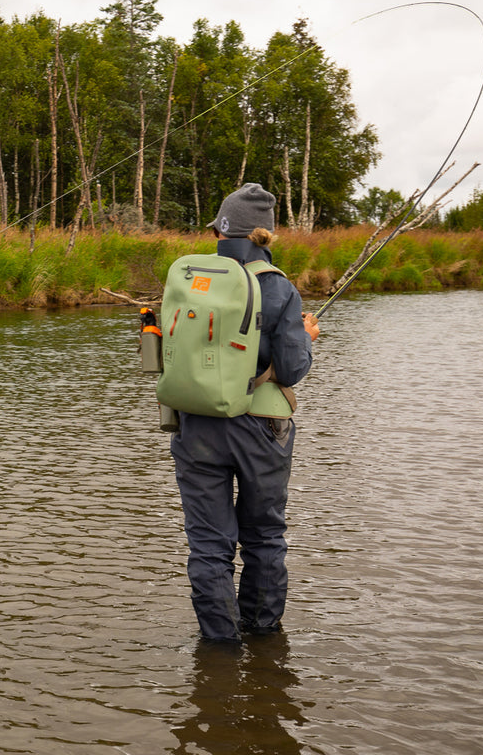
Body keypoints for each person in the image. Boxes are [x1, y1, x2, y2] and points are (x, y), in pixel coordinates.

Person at [170, 182, 319, 642]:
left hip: (196, 424)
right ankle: (264, 640)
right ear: (266, 236)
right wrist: (306, 337)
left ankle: (220, 650)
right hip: (262, 428)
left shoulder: (191, 278)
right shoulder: (279, 288)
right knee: (264, 536)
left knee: (209, 545)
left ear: (220, 231)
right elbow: (290, 370)